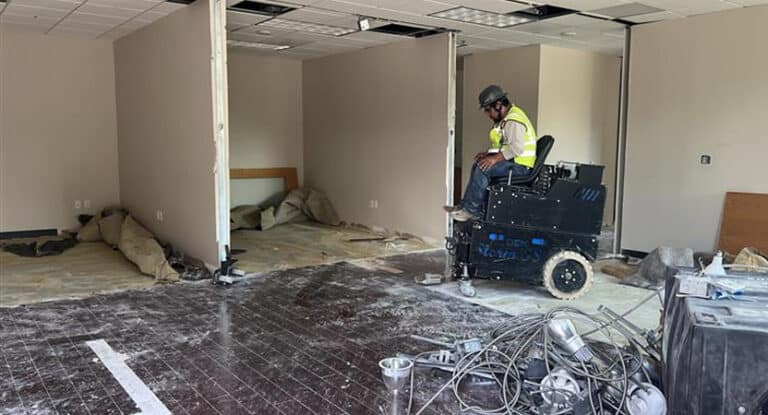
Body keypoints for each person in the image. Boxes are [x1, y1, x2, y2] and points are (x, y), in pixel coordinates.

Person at [446, 85, 537, 221]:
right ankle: (465, 206)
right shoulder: (507, 119)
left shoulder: (513, 120)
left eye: (488, 110)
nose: (488, 115)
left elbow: (517, 149)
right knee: (480, 164)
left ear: (499, 105)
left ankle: (472, 210)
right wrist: (488, 155)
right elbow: (505, 147)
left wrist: (493, 160)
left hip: (520, 167)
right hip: (514, 163)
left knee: (483, 169)